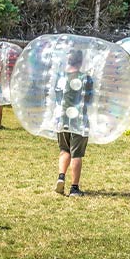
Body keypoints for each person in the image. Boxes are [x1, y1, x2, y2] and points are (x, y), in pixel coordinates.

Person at [54, 49, 93, 197]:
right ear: (80, 61)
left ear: (68, 61)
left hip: (62, 118)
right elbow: (89, 99)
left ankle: (61, 177)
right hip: (79, 120)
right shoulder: (85, 78)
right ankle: (74, 188)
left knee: (64, 150)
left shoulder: (60, 78)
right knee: (76, 154)